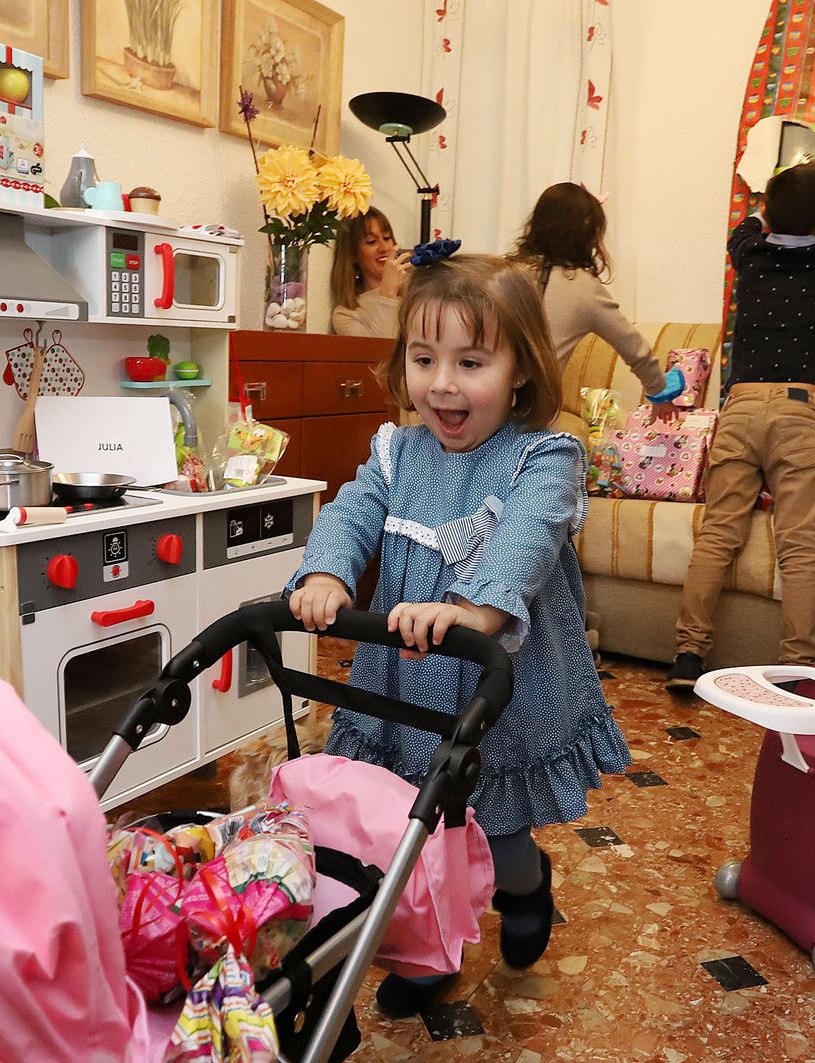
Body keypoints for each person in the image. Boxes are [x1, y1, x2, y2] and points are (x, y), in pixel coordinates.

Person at [288, 247, 630, 1017]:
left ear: (521, 372)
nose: (442, 382)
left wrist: (474, 607)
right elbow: (349, 513)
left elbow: (529, 538)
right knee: (410, 822)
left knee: (491, 826)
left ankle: (525, 884)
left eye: (471, 360)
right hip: (403, 681)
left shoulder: (542, 458)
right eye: (423, 357)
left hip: (493, 684)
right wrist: (327, 574)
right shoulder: (395, 451)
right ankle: (426, 948)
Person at [666, 163, 815, 690]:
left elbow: (744, 230)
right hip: (799, 410)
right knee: (800, 544)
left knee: (718, 535)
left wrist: (765, 204)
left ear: (765, 211)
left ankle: (688, 656)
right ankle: (800, 666)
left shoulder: (750, 255)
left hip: (741, 406)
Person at [509, 182, 681, 418]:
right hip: (533, 416)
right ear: (587, 234)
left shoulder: (505, 272)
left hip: (483, 406)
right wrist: (660, 391)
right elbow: (634, 347)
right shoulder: (582, 287)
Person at [329, 207, 413, 337]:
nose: (384, 248)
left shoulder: (415, 292)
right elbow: (382, 352)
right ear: (352, 254)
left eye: (386, 238)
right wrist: (387, 294)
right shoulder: (346, 314)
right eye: (371, 241)